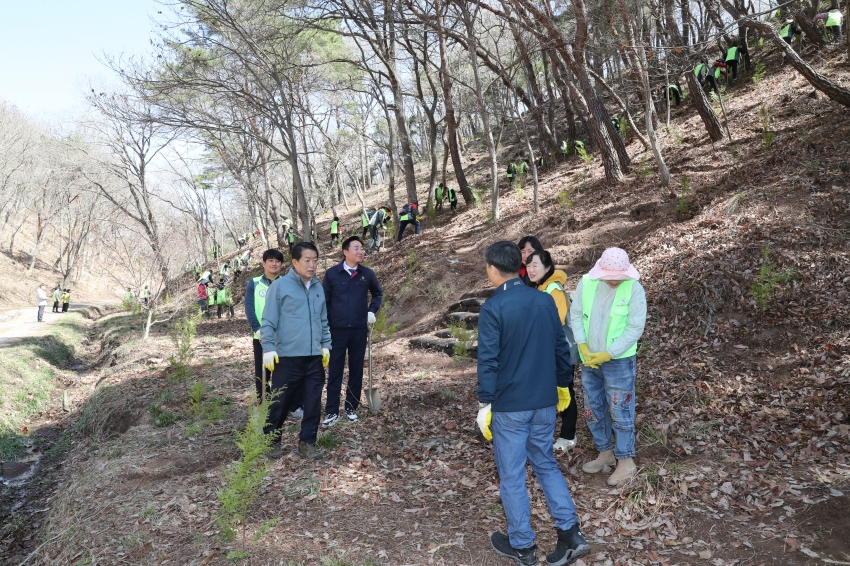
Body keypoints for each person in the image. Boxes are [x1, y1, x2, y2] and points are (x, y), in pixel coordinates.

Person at [476, 241, 589, 566]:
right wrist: (562, 386)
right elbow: (560, 348)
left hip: (510, 405)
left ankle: (523, 545)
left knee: (512, 474)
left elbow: (488, 360)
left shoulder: (494, 307)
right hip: (543, 402)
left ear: (494, 270)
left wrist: (485, 402)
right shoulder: (543, 301)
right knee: (545, 463)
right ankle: (570, 534)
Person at [569, 247, 647, 486]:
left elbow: (635, 328)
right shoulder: (587, 283)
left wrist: (609, 353)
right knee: (593, 406)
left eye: (618, 277)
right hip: (590, 358)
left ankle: (626, 461)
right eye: (609, 276)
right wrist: (582, 345)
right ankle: (605, 453)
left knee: (620, 409)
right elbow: (576, 314)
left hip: (620, 361)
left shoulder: (634, 288)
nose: (613, 281)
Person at [260, 242, 331, 461]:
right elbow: (268, 320)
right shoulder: (280, 287)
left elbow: (323, 320)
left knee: (312, 403)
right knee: (280, 402)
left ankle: (307, 442)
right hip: (287, 357)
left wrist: (326, 345)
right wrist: (269, 349)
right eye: (307, 260)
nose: (312, 265)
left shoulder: (318, 287)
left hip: (313, 358)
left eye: (315, 260)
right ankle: (272, 441)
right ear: (295, 262)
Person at [322, 236, 384, 426]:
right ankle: (332, 411)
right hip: (336, 331)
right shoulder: (332, 274)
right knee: (335, 371)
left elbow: (378, 293)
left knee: (356, 369)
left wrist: (371, 310)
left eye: (362, 248)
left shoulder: (367, 274)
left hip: (358, 331)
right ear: (345, 252)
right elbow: (324, 302)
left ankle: (351, 407)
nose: (361, 251)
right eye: (356, 248)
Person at [526, 250, 579, 452]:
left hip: (558, 352)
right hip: (543, 351)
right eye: (529, 265)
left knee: (565, 390)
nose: (531, 270)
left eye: (535, 265)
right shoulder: (539, 288)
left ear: (547, 268)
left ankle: (568, 435)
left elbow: (556, 322)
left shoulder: (553, 290)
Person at [245, 249, 303, 419]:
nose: (274, 263)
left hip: (284, 338)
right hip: (261, 337)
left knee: (287, 373)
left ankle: (292, 406)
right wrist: (258, 329)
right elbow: (250, 308)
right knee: (262, 374)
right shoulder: (254, 283)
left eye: (277, 261)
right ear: (263, 263)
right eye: (270, 260)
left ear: (281, 264)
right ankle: (266, 407)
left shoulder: (287, 283)